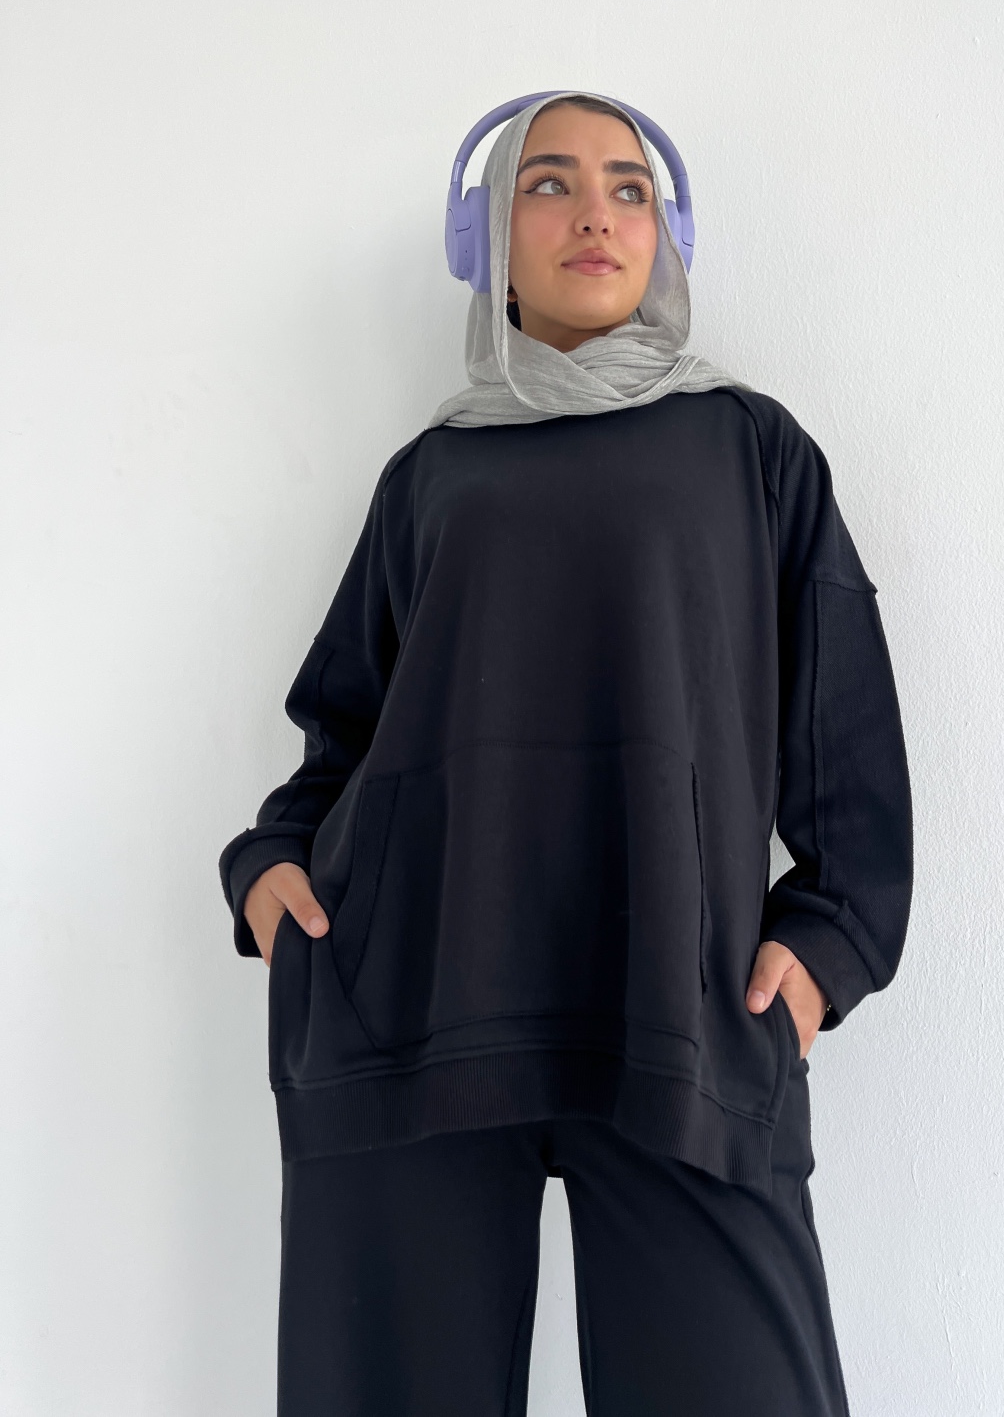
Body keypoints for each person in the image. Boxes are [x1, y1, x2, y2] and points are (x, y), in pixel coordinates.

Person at [218, 89, 913, 1417]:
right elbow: (344, 733)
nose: (595, 211)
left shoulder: (750, 448)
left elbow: (844, 733)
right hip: (407, 1013)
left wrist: (830, 941)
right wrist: (269, 870)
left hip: (683, 1015)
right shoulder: (430, 474)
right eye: (547, 183)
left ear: (665, 235)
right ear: (485, 238)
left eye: (628, 188)